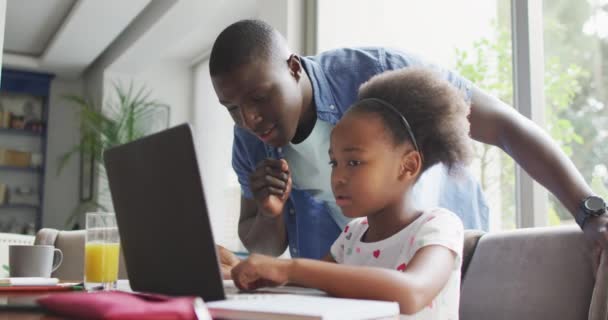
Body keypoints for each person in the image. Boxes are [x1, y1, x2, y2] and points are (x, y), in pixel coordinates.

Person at [210, 20, 607, 269]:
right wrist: (269, 215)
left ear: (293, 67)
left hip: (448, 260)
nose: (249, 119)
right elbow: (267, 242)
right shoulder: (248, 140)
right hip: (346, 286)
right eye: (232, 108)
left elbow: (503, 126)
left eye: (259, 98)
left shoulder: (378, 72)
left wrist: (590, 212)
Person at [231, 67, 469, 317]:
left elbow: (411, 293)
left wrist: (289, 268)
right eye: (334, 163)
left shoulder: (438, 227)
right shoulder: (353, 235)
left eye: (354, 162)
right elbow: (306, 282)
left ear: (407, 166)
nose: (338, 177)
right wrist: (242, 269)